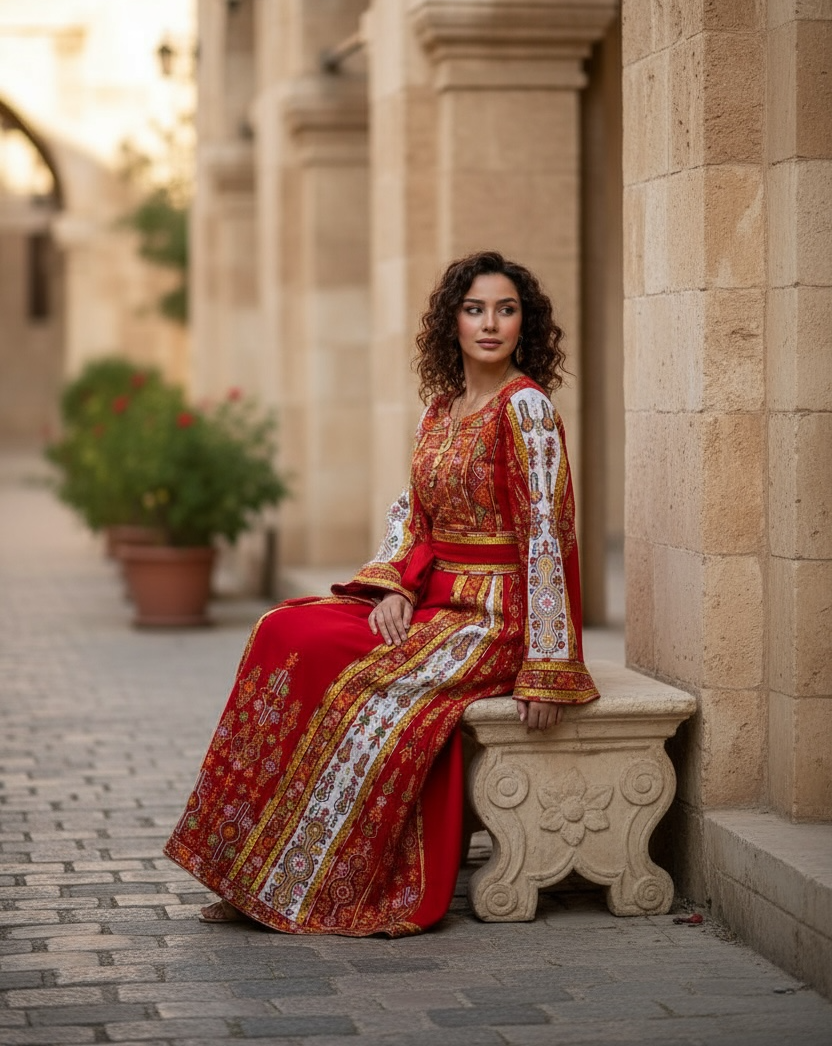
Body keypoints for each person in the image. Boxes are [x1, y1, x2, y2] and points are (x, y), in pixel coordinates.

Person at [165, 250, 599, 936]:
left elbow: (548, 533)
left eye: (506, 310)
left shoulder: (529, 412)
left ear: (526, 324)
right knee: (283, 630)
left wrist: (546, 671)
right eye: (475, 308)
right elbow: (412, 514)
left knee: (357, 685)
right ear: (451, 321)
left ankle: (321, 882)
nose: (490, 323)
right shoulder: (440, 411)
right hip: (430, 601)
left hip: (494, 619)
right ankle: (249, 869)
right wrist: (393, 585)